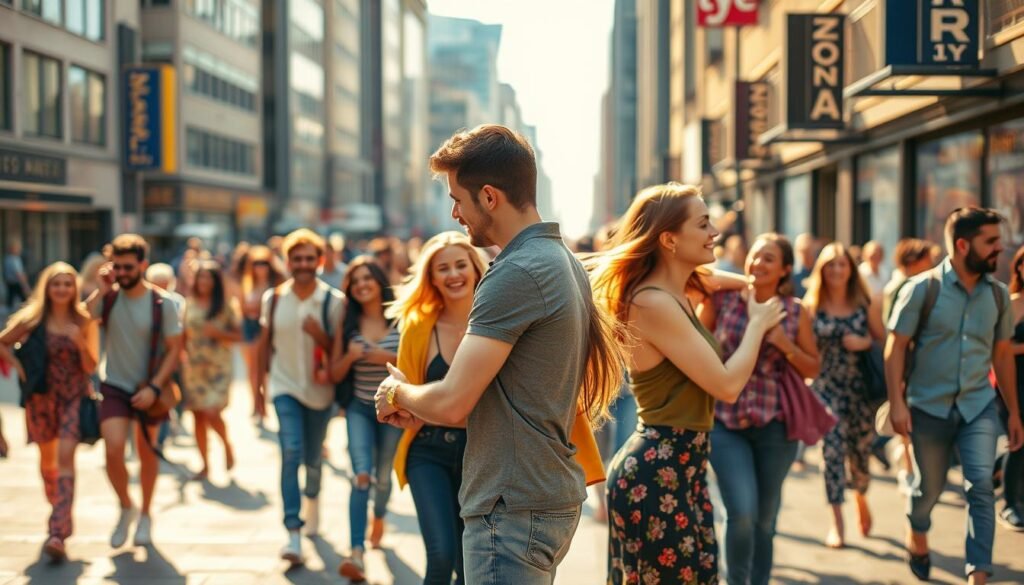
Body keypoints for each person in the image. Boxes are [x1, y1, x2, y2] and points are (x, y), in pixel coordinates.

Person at [375, 124, 625, 584]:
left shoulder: (517, 272)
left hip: (511, 508)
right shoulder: (560, 259)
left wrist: (397, 392)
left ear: (489, 196)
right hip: (537, 496)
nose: (454, 213)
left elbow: (453, 401)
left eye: (458, 199)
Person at [589, 183, 783, 585]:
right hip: (656, 472)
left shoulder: (674, 290)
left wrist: (750, 284)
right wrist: (758, 324)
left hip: (681, 469)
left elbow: (714, 280)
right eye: (703, 224)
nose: (715, 232)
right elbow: (727, 385)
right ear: (669, 239)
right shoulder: (653, 302)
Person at [887, 207, 1024, 584]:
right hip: (927, 408)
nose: (1000, 248)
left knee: (981, 488)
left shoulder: (998, 296)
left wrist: (1014, 412)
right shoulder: (921, 289)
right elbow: (895, 347)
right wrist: (897, 403)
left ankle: (977, 575)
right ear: (963, 245)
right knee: (927, 491)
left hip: (978, 407)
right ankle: (917, 530)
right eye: (991, 241)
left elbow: (1001, 355)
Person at [698, 233, 820, 585]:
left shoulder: (795, 311)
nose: (758, 263)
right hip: (724, 421)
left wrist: (784, 344)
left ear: (785, 270)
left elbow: (813, 368)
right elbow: (698, 337)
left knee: (765, 520)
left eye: (769, 259)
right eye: (754, 255)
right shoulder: (723, 300)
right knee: (742, 512)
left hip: (775, 427)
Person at [385, 232, 487, 585]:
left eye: (461, 265)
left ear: (475, 269)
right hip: (427, 451)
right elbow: (403, 393)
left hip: (483, 456)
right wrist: (395, 398)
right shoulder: (418, 326)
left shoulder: (496, 322)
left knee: (471, 567)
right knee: (441, 556)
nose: (453, 274)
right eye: (443, 268)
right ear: (431, 277)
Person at [85, 234, 184, 549]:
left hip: (149, 387)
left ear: (143, 265)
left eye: (128, 267)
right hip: (115, 383)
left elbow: (174, 349)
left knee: (146, 452)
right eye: (117, 266)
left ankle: (145, 513)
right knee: (113, 449)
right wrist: (101, 289)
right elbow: (84, 317)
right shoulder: (109, 297)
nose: (122, 273)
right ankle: (126, 505)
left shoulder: (163, 303)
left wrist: (155, 387)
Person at [0, 262, 98, 561]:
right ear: (47, 287)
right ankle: (59, 511)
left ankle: (58, 531)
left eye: (68, 284)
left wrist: (79, 342)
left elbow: (91, 365)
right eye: (56, 283)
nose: (62, 289)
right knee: (48, 465)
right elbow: (3, 342)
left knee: (66, 459)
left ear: (74, 288)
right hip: (41, 399)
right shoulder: (33, 319)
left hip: (73, 398)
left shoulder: (83, 320)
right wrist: (18, 368)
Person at [257, 228, 343, 565]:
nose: (303, 264)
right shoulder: (273, 298)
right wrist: (258, 391)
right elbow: (264, 346)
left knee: (313, 459)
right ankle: (293, 531)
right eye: (297, 259)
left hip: (321, 393)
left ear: (320, 261)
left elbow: (339, 353)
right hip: (284, 387)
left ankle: (313, 500)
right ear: (287, 261)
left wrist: (319, 335)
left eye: (309, 258)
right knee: (291, 451)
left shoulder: (334, 301)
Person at [803, 242, 885, 549]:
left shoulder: (865, 303)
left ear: (851, 269)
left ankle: (861, 494)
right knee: (832, 450)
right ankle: (837, 521)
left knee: (860, 455)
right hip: (826, 389)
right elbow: (802, 348)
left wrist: (865, 342)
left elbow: (885, 341)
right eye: (831, 265)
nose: (837, 270)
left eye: (842, 264)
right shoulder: (811, 306)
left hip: (860, 391)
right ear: (822, 270)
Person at [331, 257, 402, 580]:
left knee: (383, 477)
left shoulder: (401, 316)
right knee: (361, 475)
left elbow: (416, 362)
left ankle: (380, 515)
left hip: (394, 410)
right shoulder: (347, 322)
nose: (361, 285)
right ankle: (356, 552)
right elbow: (335, 373)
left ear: (378, 280)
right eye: (355, 281)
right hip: (359, 408)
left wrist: (383, 356)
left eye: (366, 278)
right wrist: (350, 356)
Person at [182, 261, 241, 479]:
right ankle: (205, 464)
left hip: (218, 368)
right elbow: (182, 335)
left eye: (208, 277)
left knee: (211, 411)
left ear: (216, 282)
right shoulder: (188, 304)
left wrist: (218, 333)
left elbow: (239, 336)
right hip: (194, 368)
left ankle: (226, 444)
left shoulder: (226, 306)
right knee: (198, 416)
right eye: (201, 277)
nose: (204, 281)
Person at [242, 245, 284, 426]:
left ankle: (263, 405)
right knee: (252, 370)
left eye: (264, 263)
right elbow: (243, 307)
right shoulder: (248, 283)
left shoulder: (276, 285)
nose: (260, 267)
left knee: (263, 369)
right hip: (249, 327)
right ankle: (255, 405)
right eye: (256, 263)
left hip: (266, 328)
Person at [1001, 245, 1024, 531]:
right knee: (1018, 442)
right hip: (1013, 382)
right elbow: (999, 349)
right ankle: (1010, 504)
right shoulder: (1011, 302)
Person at [5, 240, 30, 309]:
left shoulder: (7, 258)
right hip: (16, 282)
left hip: (10, 282)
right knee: (24, 299)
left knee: (10, 299)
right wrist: (25, 284)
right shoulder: (14, 259)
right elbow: (18, 273)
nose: (19, 250)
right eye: (17, 248)